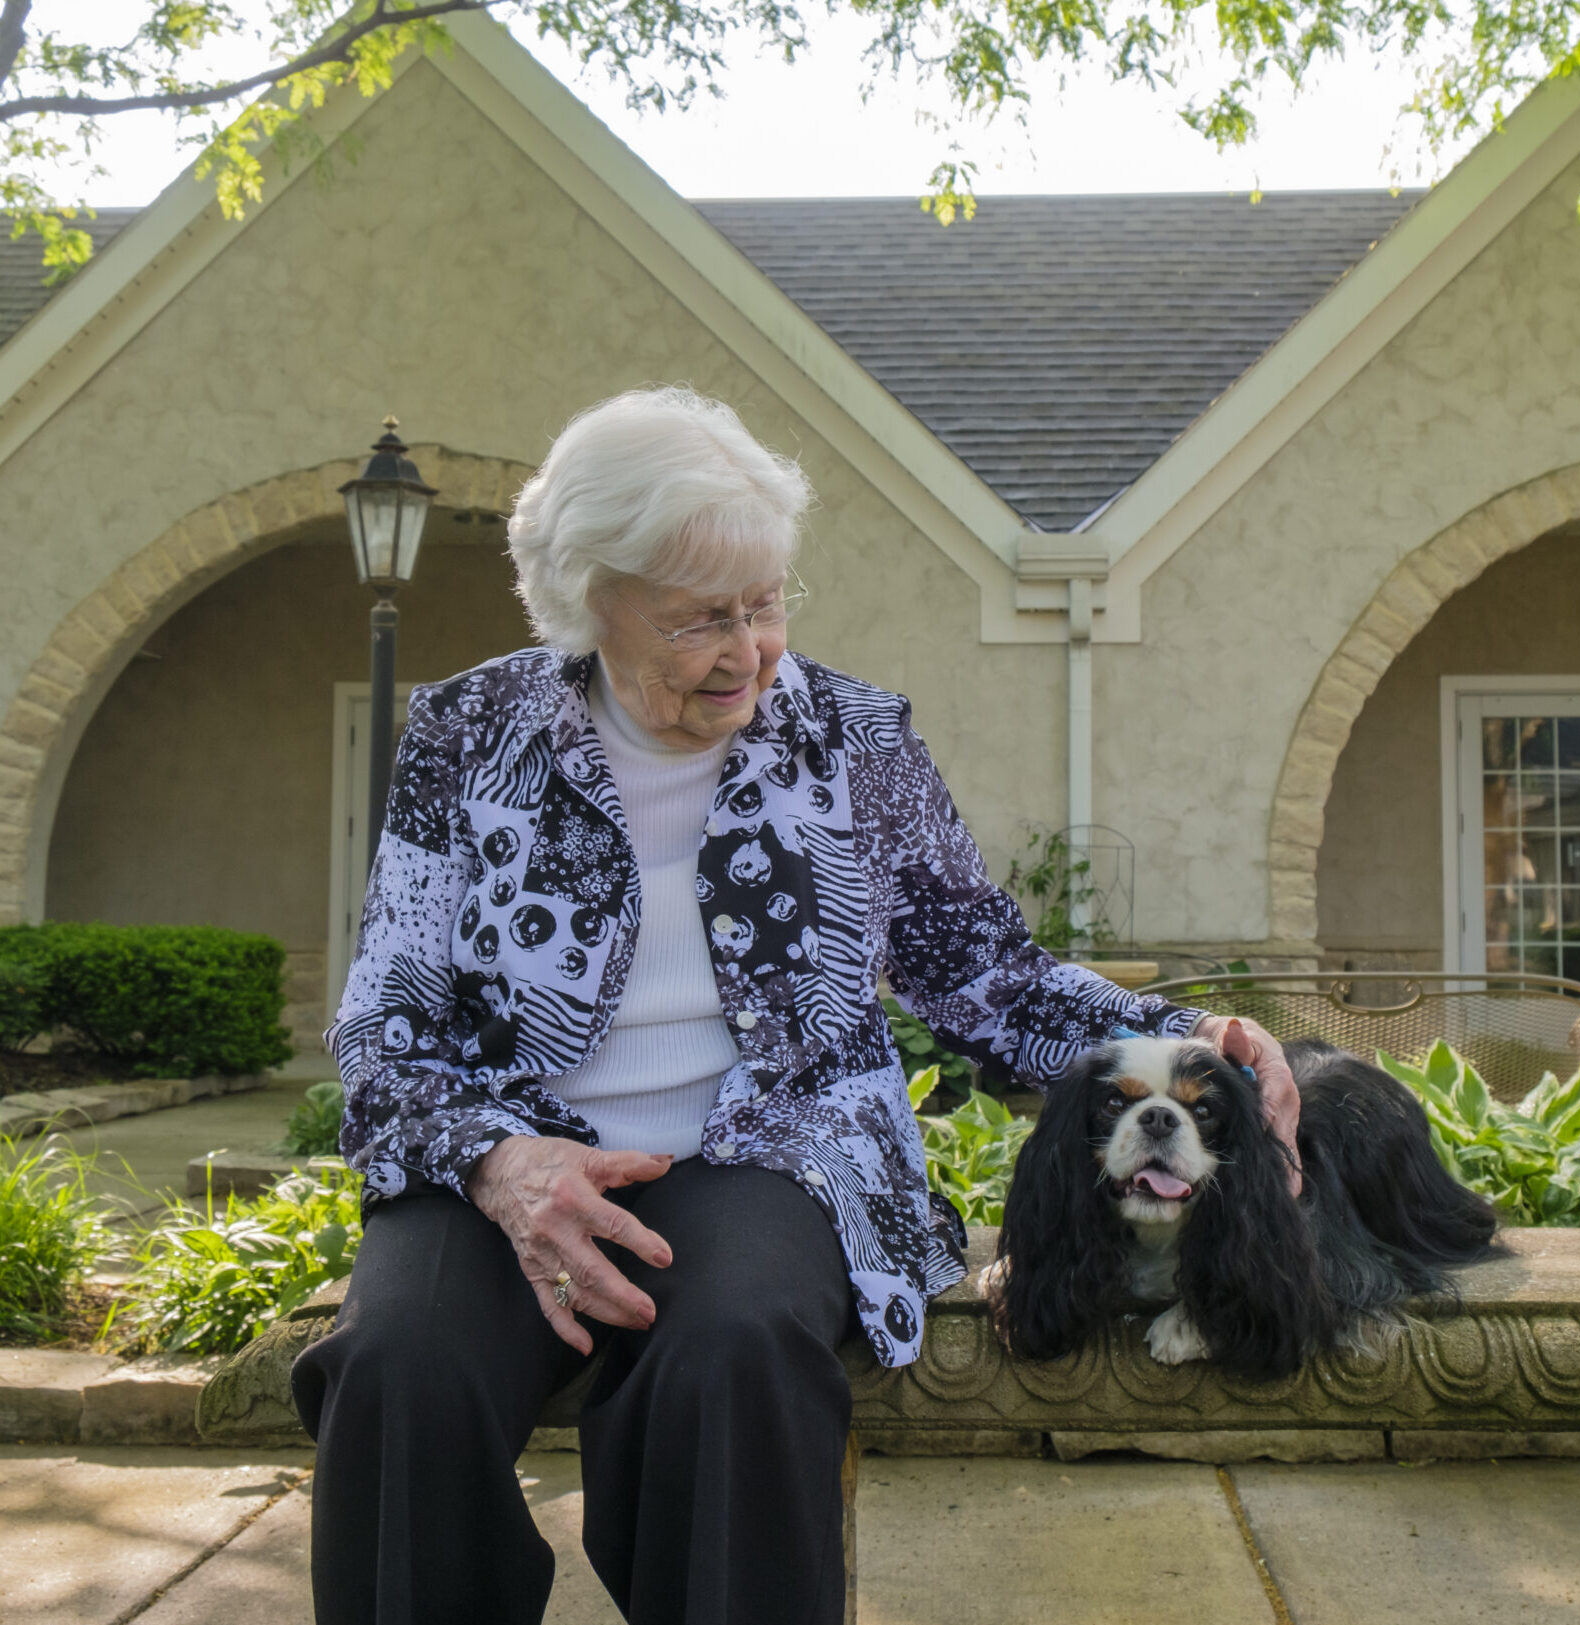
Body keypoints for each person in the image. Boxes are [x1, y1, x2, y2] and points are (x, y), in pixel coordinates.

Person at [292, 386, 1301, 1625]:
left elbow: (982, 968)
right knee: (398, 1373)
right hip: (502, 1145)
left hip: (772, 1144)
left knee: (736, 1355)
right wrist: (501, 1162)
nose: (749, 649)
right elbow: (385, 1020)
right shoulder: (467, 733)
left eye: (765, 603)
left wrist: (1187, 1045)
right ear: (586, 601)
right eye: (700, 618)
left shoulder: (853, 739)